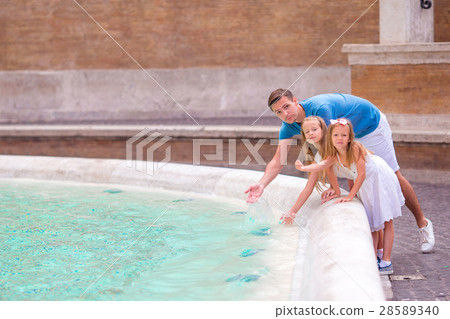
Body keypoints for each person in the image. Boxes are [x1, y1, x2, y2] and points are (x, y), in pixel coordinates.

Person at [245, 89, 435, 253]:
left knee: (393, 175)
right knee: (353, 177)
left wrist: (322, 178)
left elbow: (330, 153)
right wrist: (262, 185)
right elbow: (278, 160)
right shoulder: (288, 125)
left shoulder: (320, 109)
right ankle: (369, 237)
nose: (285, 114)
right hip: (348, 136)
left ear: (295, 101)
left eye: (286, 106)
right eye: (278, 112)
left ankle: (423, 223)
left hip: (370, 125)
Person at [296, 118, 404, 274]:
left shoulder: (355, 149)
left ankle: (386, 261)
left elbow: (361, 175)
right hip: (367, 183)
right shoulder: (333, 155)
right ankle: (374, 258)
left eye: (344, 135)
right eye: (336, 135)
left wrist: (350, 196)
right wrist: (304, 167)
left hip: (378, 177)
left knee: (386, 220)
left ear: (350, 137)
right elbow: (320, 166)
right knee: (372, 222)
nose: (340, 139)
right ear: (330, 137)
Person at [279, 116, 331, 224]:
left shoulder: (332, 146)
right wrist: (292, 212)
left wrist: (335, 188)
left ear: (323, 129)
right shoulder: (317, 152)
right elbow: (309, 187)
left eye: (314, 129)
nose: (311, 133)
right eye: (307, 132)